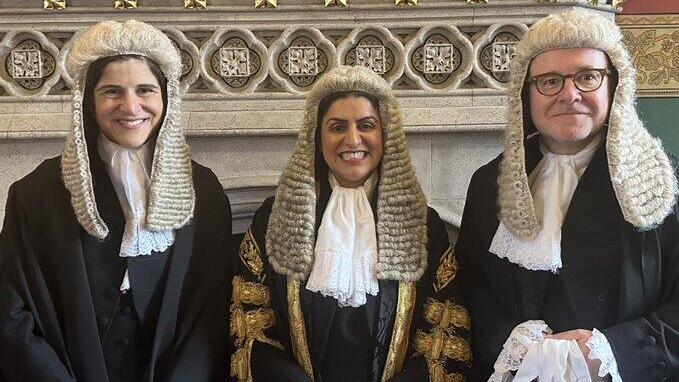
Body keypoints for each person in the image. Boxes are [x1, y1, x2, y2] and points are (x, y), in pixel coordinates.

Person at [0, 20, 233, 381]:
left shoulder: (203, 190)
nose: (130, 106)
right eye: (112, 91)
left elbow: (212, 310)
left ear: (166, 97)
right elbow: (11, 313)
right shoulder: (36, 194)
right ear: (87, 101)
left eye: (145, 90)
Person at [455, 10, 679, 382]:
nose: (569, 94)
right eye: (550, 81)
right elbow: (471, 285)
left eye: (588, 77)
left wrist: (611, 352)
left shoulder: (666, 182)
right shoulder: (487, 183)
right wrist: (509, 342)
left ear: (614, 85)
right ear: (525, 94)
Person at [229, 65, 470, 382]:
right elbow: (250, 326)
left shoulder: (423, 224)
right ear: (317, 137)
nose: (352, 139)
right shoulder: (274, 218)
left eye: (367, 125)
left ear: (386, 135)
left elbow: (443, 329)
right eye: (337, 127)